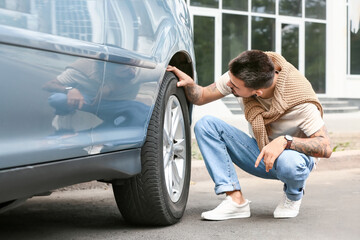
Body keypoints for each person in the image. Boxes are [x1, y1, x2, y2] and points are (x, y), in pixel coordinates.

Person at [167, 50, 332, 220]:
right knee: (206, 125)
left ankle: (293, 195)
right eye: (230, 81)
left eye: (235, 86)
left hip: (293, 159)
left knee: (289, 161)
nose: (229, 85)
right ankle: (235, 200)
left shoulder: (301, 102)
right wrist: (188, 83)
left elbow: (325, 147)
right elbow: (201, 96)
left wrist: (285, 142)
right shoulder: (240, 76)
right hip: (260, 152)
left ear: (257, 92)